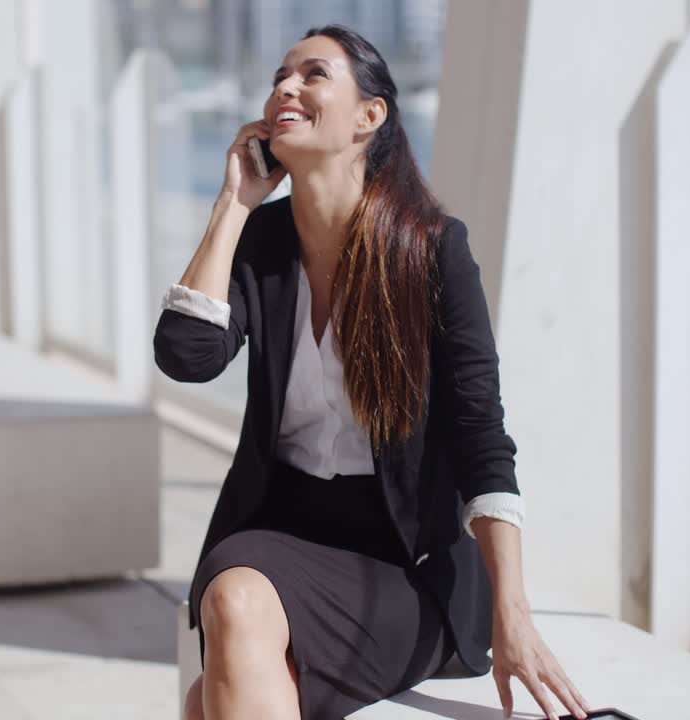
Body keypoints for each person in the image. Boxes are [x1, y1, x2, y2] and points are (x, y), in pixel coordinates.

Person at [153, 24, 590, 720]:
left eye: (313, 74)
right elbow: (186, 356)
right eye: (280, 76)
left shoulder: (431, 250)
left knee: (211, 699)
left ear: (370, 116)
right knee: (232, 608)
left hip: (405, 566)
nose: (285, 88)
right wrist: (233, 207)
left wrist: (514, 615)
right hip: (280, 531)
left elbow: (483, 439)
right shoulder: (260, 245)